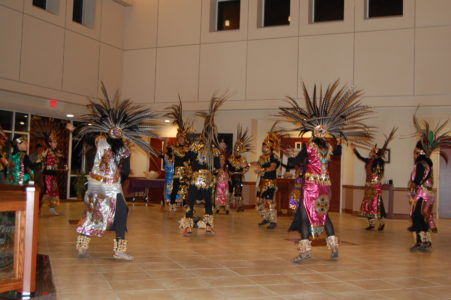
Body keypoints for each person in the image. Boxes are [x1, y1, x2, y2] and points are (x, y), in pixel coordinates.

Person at [279, 81, 373, 263]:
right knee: (324, 215)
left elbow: (294, 163)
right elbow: (337, 152)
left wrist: (289, 157)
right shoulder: (328, 149)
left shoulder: (309, 148)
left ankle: (305, 251)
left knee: (305, 216)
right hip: (325, 188)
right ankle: (334, 247)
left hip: (311, 187)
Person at [75, 82, 159, 260]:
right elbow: (126, 171)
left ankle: (85, 245)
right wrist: (119, 174)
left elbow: (85, 135)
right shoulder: (121, 149)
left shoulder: (100, 141)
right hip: (108, 186)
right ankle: (114, 249)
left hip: (98, 185)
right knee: (116, 212)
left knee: (94, 212)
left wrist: (73, 129)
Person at [179, 95, 226, 236]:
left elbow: (217, 167)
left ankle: (200, 226)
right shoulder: (204, 148)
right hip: (201, 178)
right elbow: (187, 159)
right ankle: (198, 226)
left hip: (202, 179)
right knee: (199, 202)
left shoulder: (208, 149)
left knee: (199, 202)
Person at [408, 113, 450, 251]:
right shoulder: (427, 163)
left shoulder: (420, 163)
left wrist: (413, 185)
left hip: (422, 193)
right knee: (420, 216)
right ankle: (425, 240)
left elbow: (418, 179)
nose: (413, 153)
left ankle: (421, 241)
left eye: (415, 150)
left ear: (419, 150)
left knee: (416, 216)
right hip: (428, 194)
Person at [350, 128, 396, 231]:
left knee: (377, 205)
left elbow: (379, 175)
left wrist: (373, 183)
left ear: (375, 153)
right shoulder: (368, 161)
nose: (370, 152)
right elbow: (360, 157)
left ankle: (381, 222)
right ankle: (371, 224)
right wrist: (354, 149)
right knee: (367, 204)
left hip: (375, 187)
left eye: (371, 151)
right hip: (368, 186)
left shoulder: (380, 162)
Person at [163, 99, 191, 211]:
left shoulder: (188, 148)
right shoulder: (173, 148)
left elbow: (191, 158)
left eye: (182, 138)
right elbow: (165, 151)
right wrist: (165, 143)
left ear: (184, 139)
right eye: (179, 138)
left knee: (184, 187)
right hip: (176, 170)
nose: (181, 140)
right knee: (175, 187)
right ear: (178, 139)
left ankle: (184, 203)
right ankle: (172, 203)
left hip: (185, 170)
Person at [253, 126, 280, 230]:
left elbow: (272, 167)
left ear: (270, 147)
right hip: (261, 182)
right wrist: (246, 164)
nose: (263, 148)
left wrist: (261, 170)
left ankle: (273, 221)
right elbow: (257, 163)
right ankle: (266, 218)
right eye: (262, 146)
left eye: (265, 147)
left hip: (270, 182)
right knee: (259, 201)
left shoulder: (274, 157)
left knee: (269, 202)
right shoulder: (261, 157)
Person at [226, 125, 251, 212]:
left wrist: (242, 171)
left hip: (239, 177)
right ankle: (228, 205)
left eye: (237, 151)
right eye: (234, 150)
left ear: (240, 151)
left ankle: (238, 205)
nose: (235, 152)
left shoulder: (243, 159)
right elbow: (226, 167)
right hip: (231, 176)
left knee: (238, 190)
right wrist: (228, 175)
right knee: (229, 190)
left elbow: (247, 167)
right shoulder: (230, 158)